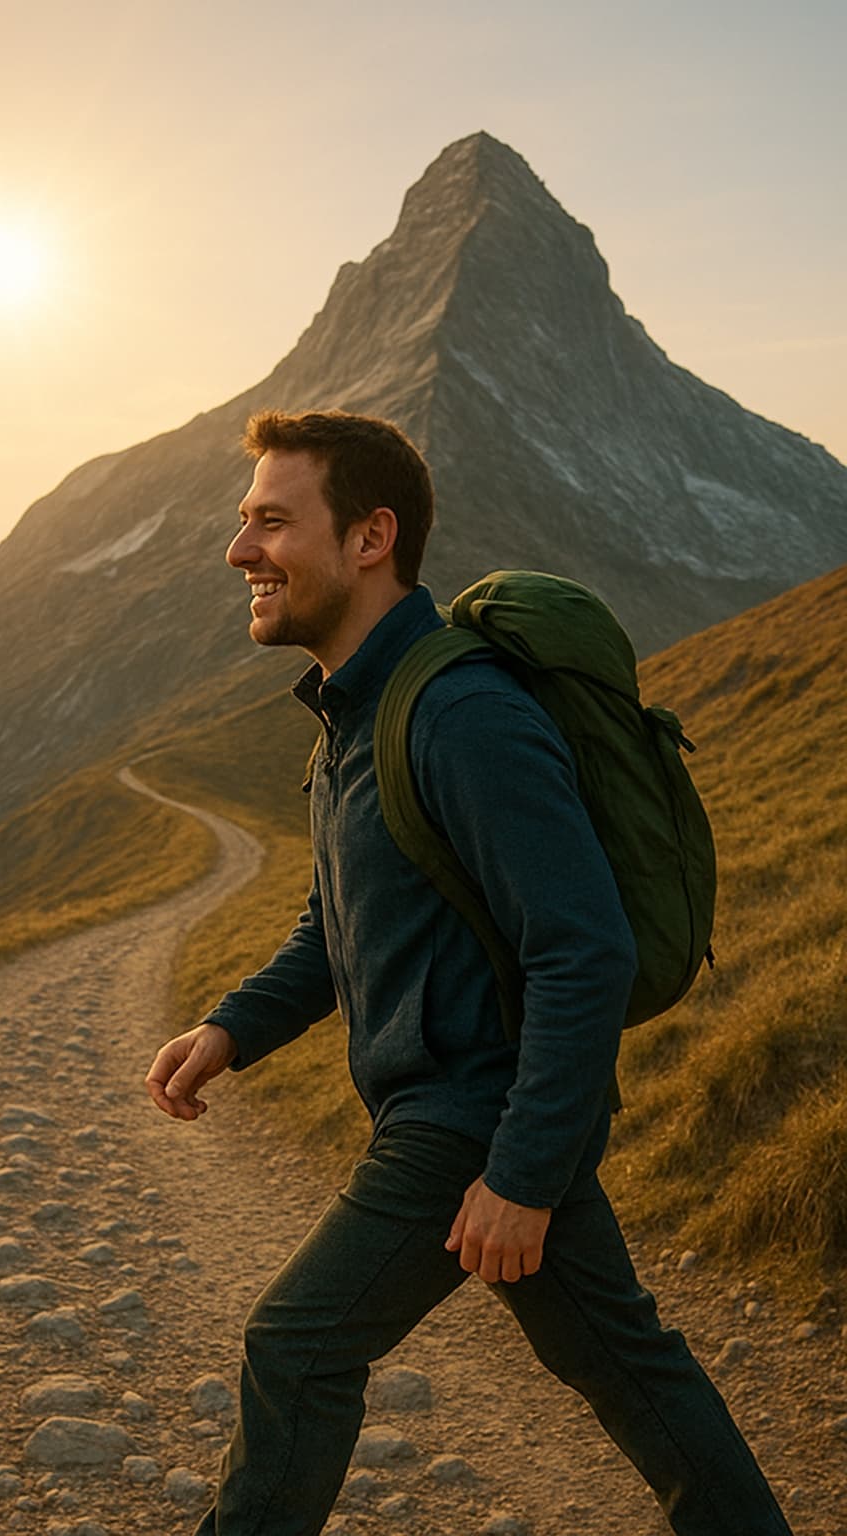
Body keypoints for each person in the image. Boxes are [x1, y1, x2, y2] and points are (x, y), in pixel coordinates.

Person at [144, 409, 792, 1536]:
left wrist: (524, 1172)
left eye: (269, 522)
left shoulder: (461, 714)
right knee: (632, 1373)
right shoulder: (356, 717)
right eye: (243, 523)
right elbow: (335, 921)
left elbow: (583, 945)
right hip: (481, 1116)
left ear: (367, 538)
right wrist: (233, 1028)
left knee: (295, 1346)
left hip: (470, 1119)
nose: (239, 551)